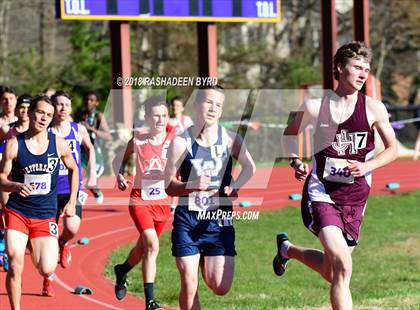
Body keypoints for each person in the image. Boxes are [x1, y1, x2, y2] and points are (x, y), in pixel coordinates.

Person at [275, 41, 398, 310]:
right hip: (322, 194)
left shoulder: (374, 108)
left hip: (355, 199)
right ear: (341, 68)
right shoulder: (314, 107)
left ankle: (288, 250)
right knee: (344, 265)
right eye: (357, 67)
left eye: (367, 69)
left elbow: (393, 149)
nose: (364, 74)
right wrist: (295, 160)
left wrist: (367, 166)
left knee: (333, 272)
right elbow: (288, 135)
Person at [164, 86, 255, 309]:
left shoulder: (230, 139)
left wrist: (235, 187)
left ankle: (203, 258)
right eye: (208, 102)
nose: (213, 108)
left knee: (220, 287)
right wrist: (191, 186)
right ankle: (195, 260)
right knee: (189, 282)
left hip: (219, 219)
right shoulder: (181, 142)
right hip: (188, 219)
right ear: (196, 105)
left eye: (218, 105)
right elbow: (168, 186)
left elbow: (249, 167)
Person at [0, 95, 78, 310]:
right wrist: (15, 186)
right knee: (15, 264)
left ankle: (34, 244)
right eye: (41, 112)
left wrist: (71, 201)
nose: (44, 118)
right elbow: (1, 178)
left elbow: (74, 169)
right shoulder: (14, 145)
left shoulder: (59, 145)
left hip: (45, 214)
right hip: (18, 210)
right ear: (31, 112)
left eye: (49, 115)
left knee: (46, 268)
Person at [112, 96, 174, 310]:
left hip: (163, 203)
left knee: (143, 249)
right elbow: (117, 159)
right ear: (147, 118)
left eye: (164, 116)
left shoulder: (175, 139)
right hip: (140, 200)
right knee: (152, 245)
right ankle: (150, 302)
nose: (160, 120)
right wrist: (119, 175)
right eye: (156, 115)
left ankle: (122, 270)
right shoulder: (138, 140)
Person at [39, 90, 97, 296]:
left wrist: (92, 175)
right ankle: (48, 279)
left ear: (71, 108)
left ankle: (64, 243)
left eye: (66, 104)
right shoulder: (46, 130)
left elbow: (90, 149)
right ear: (52, 107)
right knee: (49, 237)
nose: (63, 108)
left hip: (72, 187)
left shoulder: (78, 129)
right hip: (50, 189)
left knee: (72, 227)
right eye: (59, 104)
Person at [0, 94, 31, 273]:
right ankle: (4, 249)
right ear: (17, 109)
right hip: (10, 179)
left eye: (28, 108)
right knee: (6, 210)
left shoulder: (39, 131)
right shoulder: (6, 130)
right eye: (22, 108)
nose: (24, 111)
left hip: (29, 181)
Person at [75, 91, 112, 203]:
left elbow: (108, 136)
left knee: (87, 177)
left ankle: (95, 190)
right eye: (86, 99)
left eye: (91, 100)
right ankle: (78, 199)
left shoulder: (98, 116)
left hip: (93, 150)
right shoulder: (79, 114)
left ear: (96, 103)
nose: (88, 102)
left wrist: (90, 129)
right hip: (80, 150)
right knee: (78, 175)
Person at [166, 96, 193, 213]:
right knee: (169, 177)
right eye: (173, 105)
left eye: (178, 105)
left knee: (180, 177)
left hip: (183, 152)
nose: (175, 108)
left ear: (182, 108)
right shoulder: (167, 120)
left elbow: (194, 134)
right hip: (168, 152)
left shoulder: (186, 120)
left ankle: (175, 204)